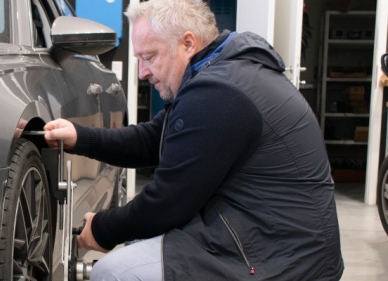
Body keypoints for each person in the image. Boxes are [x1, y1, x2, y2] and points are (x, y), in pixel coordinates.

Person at [43, 0, 344, 280]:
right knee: (140, 240)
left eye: (149, 57)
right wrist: (79, 137)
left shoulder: (218, 93)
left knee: (114, 272)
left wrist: (102, 229)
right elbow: (152, 139)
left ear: (187, 43)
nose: (143, 72)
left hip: (278, 256)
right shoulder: (222, 74)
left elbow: (168, 202)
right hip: (273, 239)